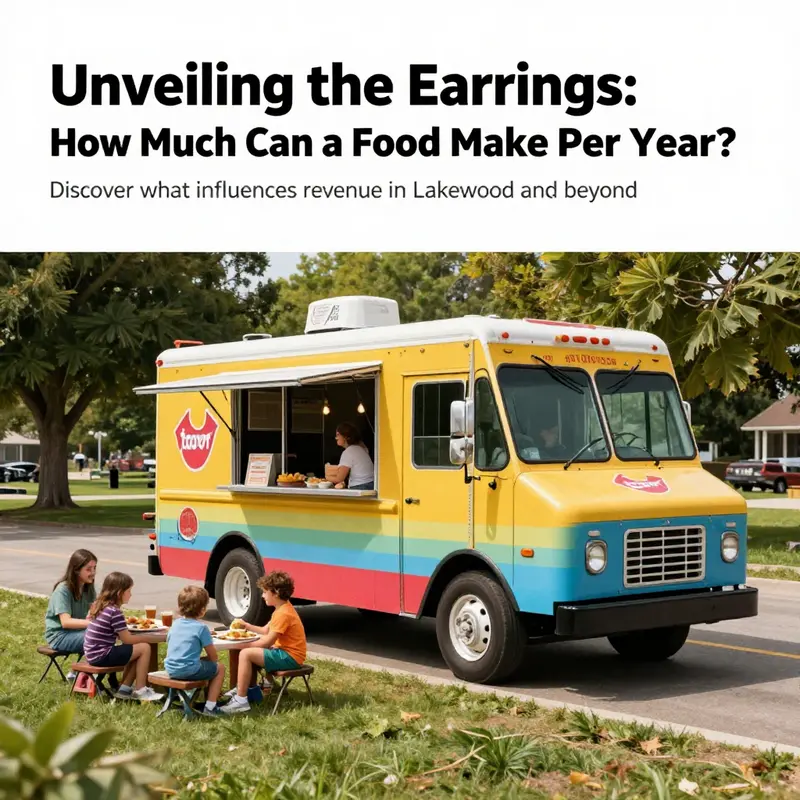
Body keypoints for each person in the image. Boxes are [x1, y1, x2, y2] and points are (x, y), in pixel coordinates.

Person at [221, 570, 307, 715]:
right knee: (246, 651)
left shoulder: (283, 614)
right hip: (284, 654)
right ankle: (247, 690)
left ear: (276, 592)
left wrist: (243, 645)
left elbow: (267, 641)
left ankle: (240, 700)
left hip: (290, 658)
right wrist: (246, 626)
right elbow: (265, 630)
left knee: (246, 654)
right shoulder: (281, 609)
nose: (262, 596)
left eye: (265, 592)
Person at [83, 572, 163, 702]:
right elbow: (127, 639)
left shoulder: (99, 605)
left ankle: (124, 689)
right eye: (129, 591)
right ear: (120, 593)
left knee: (134, 650)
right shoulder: (114, 611)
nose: (131, 594)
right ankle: (141, 690)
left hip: (92, 653)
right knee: (144, 648)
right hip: (102, 655)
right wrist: (149, 638)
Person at [164, 586, 225, 716]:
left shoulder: (175, 624)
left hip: (171, 669)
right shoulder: (201, 628)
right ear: (203, 610)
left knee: (202, 663)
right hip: (188, 670)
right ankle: (210, 706)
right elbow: (213, 657)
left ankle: (196, 698)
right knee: (219, 668)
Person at [44, 550, 98, 678]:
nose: (93, 572)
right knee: (99, 635)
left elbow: (94, 612)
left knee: (107, 633)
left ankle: (77, 673)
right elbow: (66, 622)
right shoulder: (63, 590)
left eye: (95, 568)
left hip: (78, 632)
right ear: (76, 570)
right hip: (59, 635)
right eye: (88, 569)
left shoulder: (88, 588)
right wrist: (93, 623)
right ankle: (79, 673)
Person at [325, 422, 374, 490]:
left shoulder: (348, 452)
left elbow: (339, 478)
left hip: (360, 487)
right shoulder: (361, 448)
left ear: (346, 437)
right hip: (371, 485)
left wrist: (326, 477)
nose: (336, 438)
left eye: (338, 435)